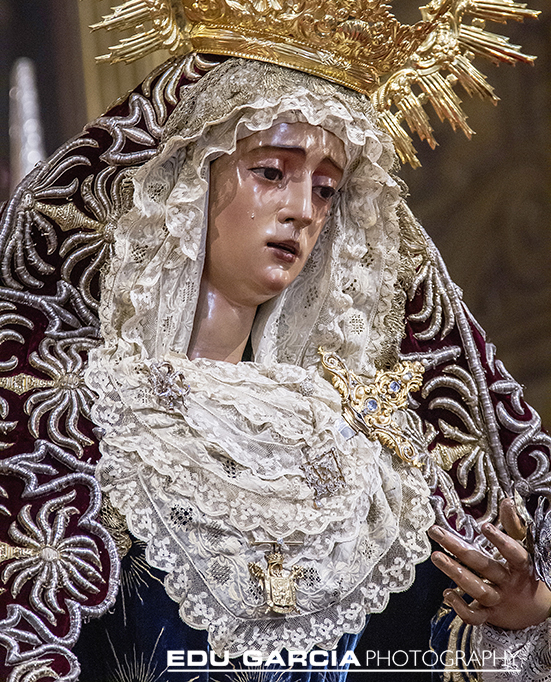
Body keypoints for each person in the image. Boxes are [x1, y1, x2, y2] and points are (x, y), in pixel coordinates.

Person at [12, 54, 539, 681]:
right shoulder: (76, 415)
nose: (303, 210)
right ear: (189, 180)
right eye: (270, 172)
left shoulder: (361, 439)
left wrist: (516, 617)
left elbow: (414, 651)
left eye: (325, 190)